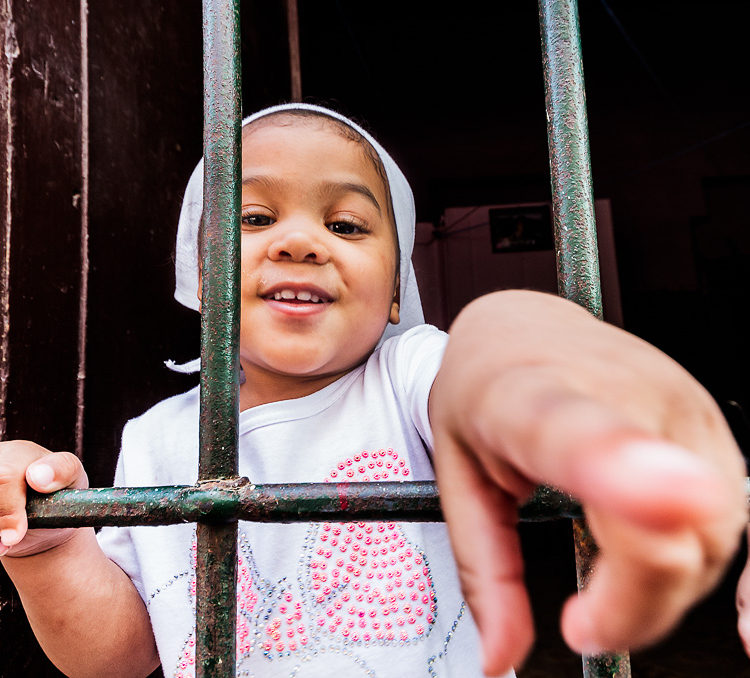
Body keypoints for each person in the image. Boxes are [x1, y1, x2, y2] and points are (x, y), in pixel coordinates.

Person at [0, 103, 746, 678]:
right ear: (197, 278)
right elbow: (120, 655)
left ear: (395, 289)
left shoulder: (410, 372)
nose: (300, 241)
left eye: (347, 224)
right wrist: (47, 547)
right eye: (256, 217)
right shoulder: (158, 438)